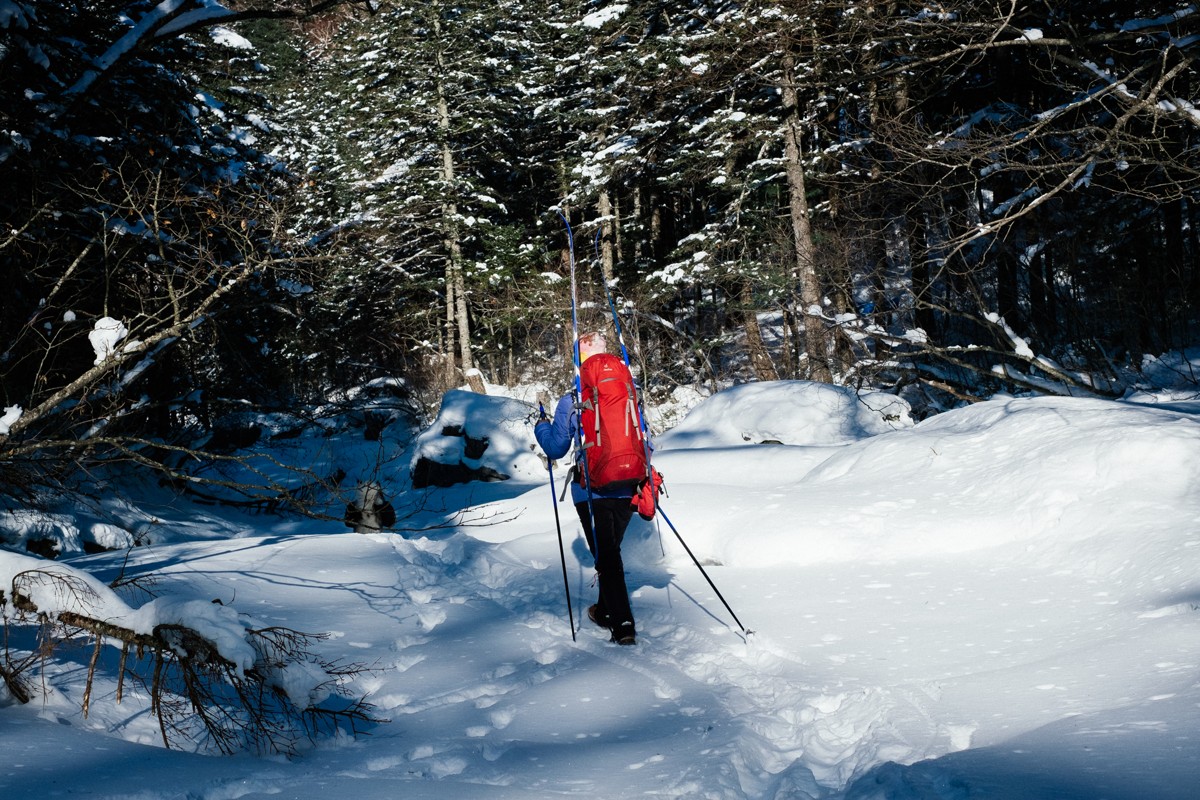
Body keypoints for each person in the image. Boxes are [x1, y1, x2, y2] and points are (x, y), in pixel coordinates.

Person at [535, 331, 641, 646]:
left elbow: (555, 448)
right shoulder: (629, 392)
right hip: (629, 484)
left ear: (579, 362)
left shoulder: (574, 398)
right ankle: (606, 611)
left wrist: (540, 423)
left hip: (591, 489)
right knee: (608, 554)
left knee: (607, 557)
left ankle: (623, 624)